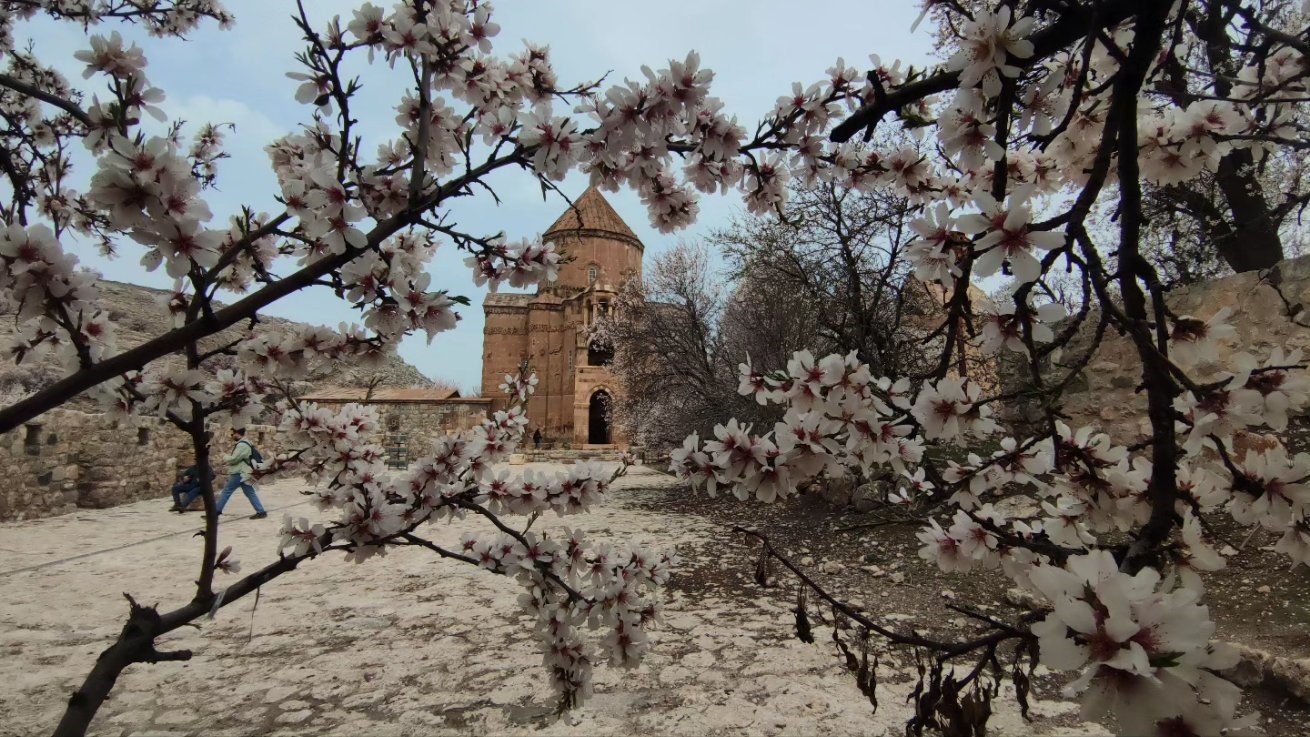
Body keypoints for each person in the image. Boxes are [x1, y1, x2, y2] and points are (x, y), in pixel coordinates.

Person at [216, 427, 268, 519]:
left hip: (239, 472)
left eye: (233, 434)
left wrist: (224, 456)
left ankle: (215, 512)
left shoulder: (242, 445)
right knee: (250, 492)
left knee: (226, 491)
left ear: (237, 433)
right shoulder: (246, 443)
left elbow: (234, 459)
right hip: (245, 472)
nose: (232, 436)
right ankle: (261, 511)